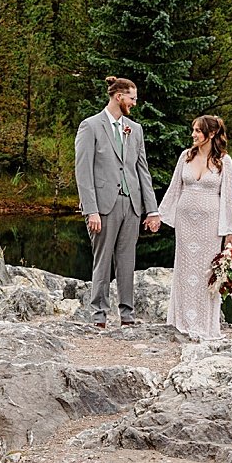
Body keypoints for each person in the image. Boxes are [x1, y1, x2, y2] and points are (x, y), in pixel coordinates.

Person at [74, 76, 159, 328]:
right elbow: (83, 171)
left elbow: (142, 171)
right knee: (102, 261)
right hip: (103, 207)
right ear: (118, 96)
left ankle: (127, 316)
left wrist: (151, 210)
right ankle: (98, 315)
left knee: (127, 261)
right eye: (132, 98)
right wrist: (91, 210)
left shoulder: (135, 129)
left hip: (131, 206)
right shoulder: (90, 126)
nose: (134, 103)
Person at [152, 114, 232, 340]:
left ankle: (204, 325)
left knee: (206, 272)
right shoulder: (186, 157)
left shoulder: (224, 161)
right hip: (185, 223)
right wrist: (158, 216)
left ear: (211, 134)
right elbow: (174, 189)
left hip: (210, 225)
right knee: (184, 269)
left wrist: (230, 231)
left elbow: (229, 197)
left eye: (198, 131)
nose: (193, 134)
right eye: (193, 130)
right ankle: (181, 323)